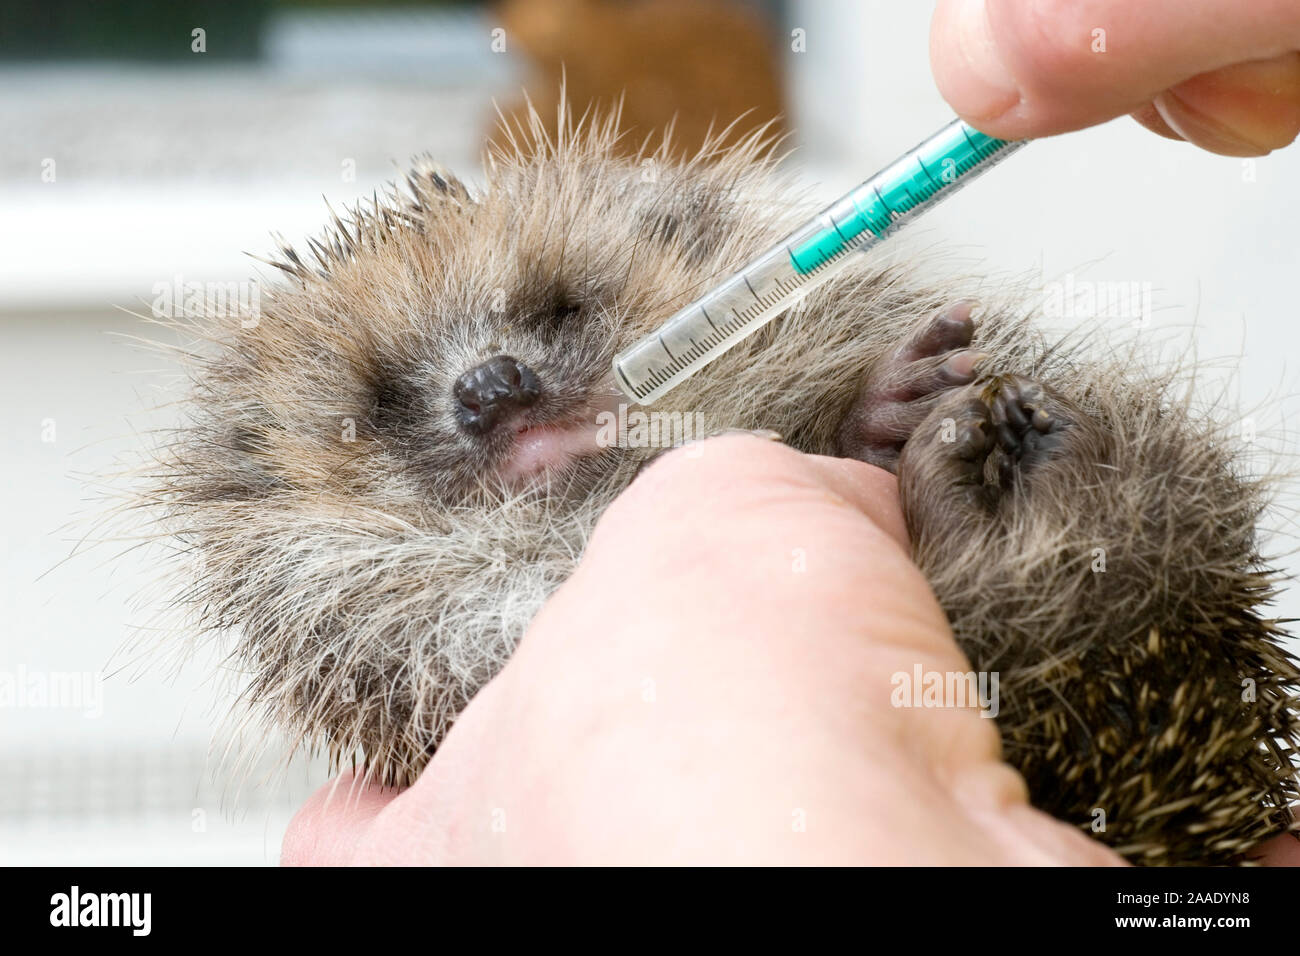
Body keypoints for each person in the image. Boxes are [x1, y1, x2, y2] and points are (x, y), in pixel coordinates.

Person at [282, 0, 1300, 865]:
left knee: (1087, 488)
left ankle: (940, 515)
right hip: (965, 724)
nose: (492, 382)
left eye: (555, 316)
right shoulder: (381, 618)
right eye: (386, 402)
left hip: (1021, 658)